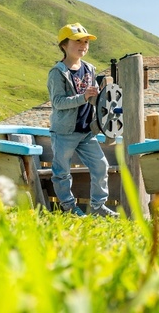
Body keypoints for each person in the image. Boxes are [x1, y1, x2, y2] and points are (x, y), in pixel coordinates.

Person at [47, 22, 119, 218]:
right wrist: (83, 97)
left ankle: (98, 207)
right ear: (64, 44)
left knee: (101, 166)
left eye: (86, 42)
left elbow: (94, 98)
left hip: (87, 131)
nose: (83, 45)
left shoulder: (90, 69)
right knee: (61, 172)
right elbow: (58, 102)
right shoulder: (57, 72)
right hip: (64, 132)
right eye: (78, 41)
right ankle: (69, 208)